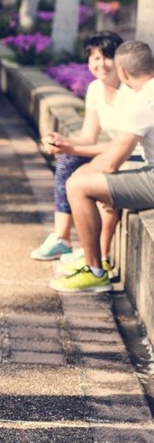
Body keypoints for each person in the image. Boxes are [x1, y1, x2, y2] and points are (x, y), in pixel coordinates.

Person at [55, 40, 154, 293]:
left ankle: (95, 270)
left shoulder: (142, 101)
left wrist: (82, 173)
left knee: (78, 186)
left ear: (122, 71)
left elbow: (111, 162)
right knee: (98, 184)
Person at [31, 32, 132, 270]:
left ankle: (96, 256)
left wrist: (72, 147)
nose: (101, 64)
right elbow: (88, 136)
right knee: (67, 159)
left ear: (120, 61)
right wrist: (62, 141)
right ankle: (61, 237)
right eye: (94, 58)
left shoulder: (129, 92)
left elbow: (122, 146)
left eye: (107, 57)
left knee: (85, 176)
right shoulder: (96, 89)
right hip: (113, 152)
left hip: (132, 156)